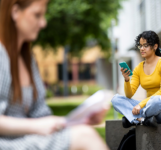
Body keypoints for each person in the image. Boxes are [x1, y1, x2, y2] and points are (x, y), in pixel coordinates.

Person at [0, 0, 109, 150]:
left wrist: (80, 121)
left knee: (84, 132)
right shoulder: (1, 55)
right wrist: (35, 127)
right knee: (85, 137)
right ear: (15, 12)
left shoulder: (28, 60)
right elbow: (38, 124)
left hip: (26, 140)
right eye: (37, 15)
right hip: (7, 143)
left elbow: (41, 115)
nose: (43, 23)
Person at [111, 31, 161, 127]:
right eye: (140, 46)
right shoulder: (139, 68)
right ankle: (143, 120)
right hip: (148, 107)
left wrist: (140, 105)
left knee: (157, 100)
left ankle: (135, 118)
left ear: (155, 46)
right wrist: (127, 80)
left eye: (145, 45)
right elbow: (129, 95)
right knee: (116, 99)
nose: (142, 49)